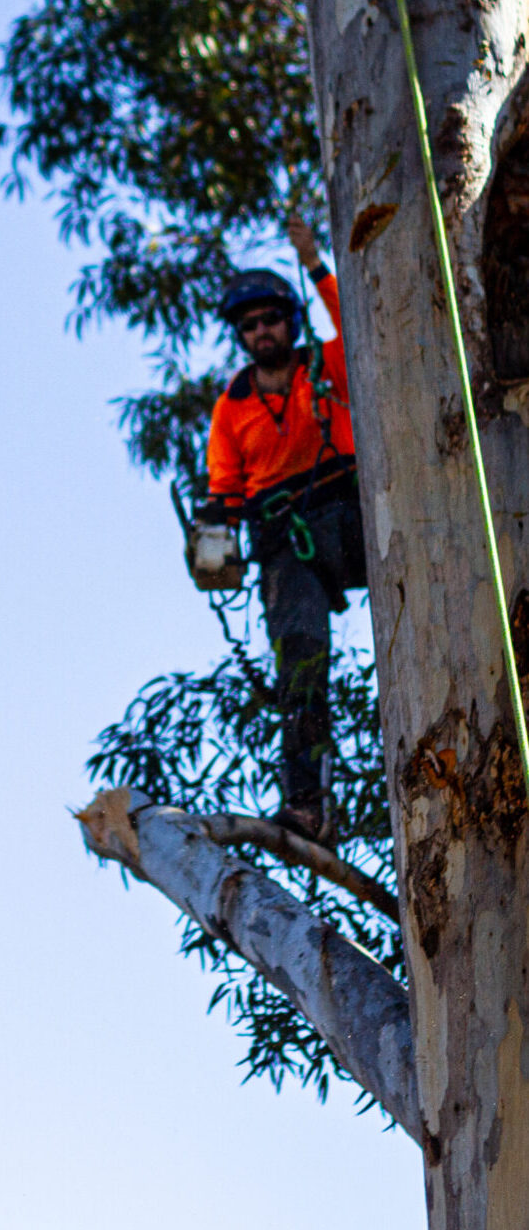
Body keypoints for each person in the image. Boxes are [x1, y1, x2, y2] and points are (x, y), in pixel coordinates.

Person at [205, 216, 366, 842]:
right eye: (249, 325)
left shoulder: (324, 365)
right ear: (241, 337)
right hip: (284, 543)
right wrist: (214, 534)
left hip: (351, 517)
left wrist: (316, 263)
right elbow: (225, 484)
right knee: (300, 662)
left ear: (288, 322)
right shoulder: (233, 404)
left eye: (270, 319)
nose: (261, 331)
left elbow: (361, 320)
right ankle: (307, 803)